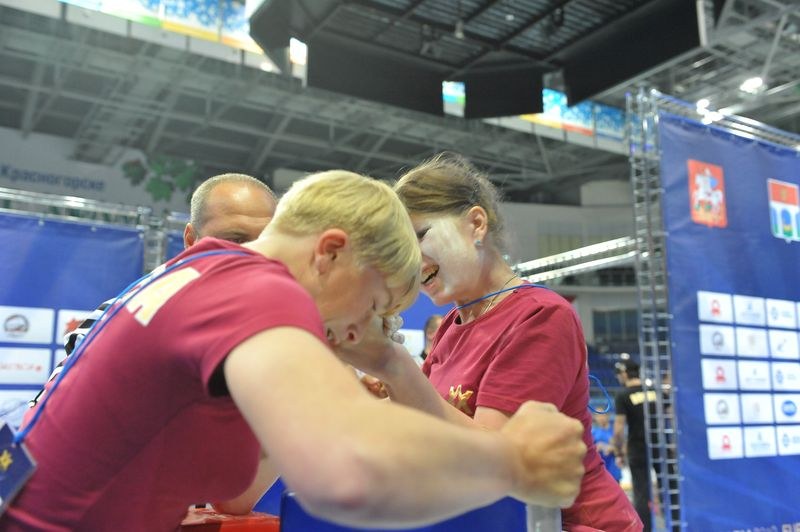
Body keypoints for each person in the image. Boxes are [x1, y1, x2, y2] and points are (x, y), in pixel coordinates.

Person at [2, 170, 587, 531]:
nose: (366, 326)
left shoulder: (209, 272)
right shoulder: (259, 290)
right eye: (374, 302)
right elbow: (345, 474)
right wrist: (513, 462)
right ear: (330, 253)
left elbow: (235, 493)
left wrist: (365, 367)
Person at [349, 153, 640, 531]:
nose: (408, 261)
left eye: (419, 236)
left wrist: (394, 365)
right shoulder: (454, 323)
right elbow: (433, 422)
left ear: (476, 224)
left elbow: (495, 459)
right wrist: (386, 397)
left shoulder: (540, 317)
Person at [25, 172, 278, 412]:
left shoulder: (289, 319)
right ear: (191, 240)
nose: (253, 254)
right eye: (235, 240)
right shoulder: (122, 313)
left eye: (265, 240)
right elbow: (43, 418)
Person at [612, 361, 659, 532]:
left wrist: (618, 451)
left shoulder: (623, 395)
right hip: (659, 445)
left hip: (637, 448)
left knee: (640, 493)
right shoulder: (653, 391)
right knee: (667, 488)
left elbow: (618, 428)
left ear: (624, 374)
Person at [591, 411, 621, 483]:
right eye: (598, 415)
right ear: (595, 417)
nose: (600, 418)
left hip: (614, 472)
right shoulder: (593, 433)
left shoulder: (615, 431)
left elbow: (623, 449)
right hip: (599, 473)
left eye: (602, 415)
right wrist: (597, 447)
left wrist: (611, 448)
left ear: (608, 416)